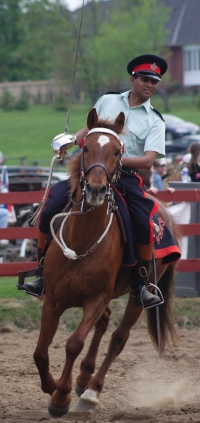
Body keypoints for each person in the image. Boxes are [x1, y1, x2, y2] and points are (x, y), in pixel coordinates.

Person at [21, 54, 168, 308]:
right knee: (50, 206)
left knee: (143, 223)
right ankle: (41, 272)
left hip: (125, 179)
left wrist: (113, 159)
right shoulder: (108, 100)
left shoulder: (155, 120)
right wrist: (70, 140)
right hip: (89, 173)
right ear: (132, 79)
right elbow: (89, 132)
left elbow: (147, 160)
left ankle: (142, 284)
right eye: (144, 79)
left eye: (154, 82)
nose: (149, 85)